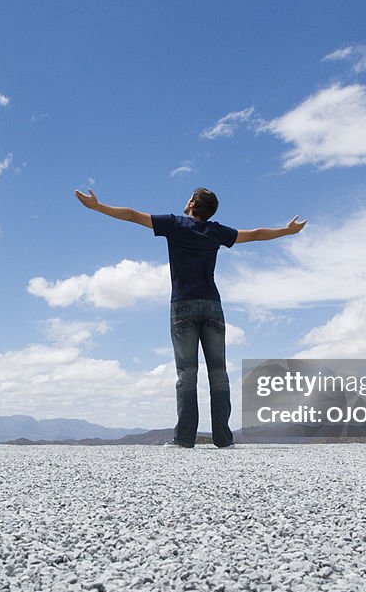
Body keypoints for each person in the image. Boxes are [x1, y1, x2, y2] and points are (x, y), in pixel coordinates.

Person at [74, 187, 306, 449]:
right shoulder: (216, 231)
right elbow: (254, 234)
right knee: (219, 373)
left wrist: (98, 207)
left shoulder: (174, 224)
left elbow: (132, 215)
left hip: (183, 305)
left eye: (189, 198)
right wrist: (286, 231)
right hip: (212, 306)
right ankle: (223, 439)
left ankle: (184, 439)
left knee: (187, 373)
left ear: (193, 203)